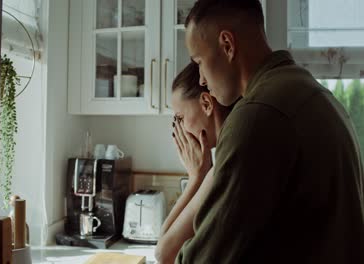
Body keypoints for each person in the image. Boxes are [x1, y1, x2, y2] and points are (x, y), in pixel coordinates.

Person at [176, 0, 364, 263]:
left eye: (199, 62)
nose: (201, 80)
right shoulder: (311, 91)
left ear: (227, 45)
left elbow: (206, 258)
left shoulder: (258, 114)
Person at [155, 62, 236, 264]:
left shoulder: (225, 163)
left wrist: (196, 177)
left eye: (180, 117)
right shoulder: (228, 152)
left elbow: (164, 254)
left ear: (207, 104)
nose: (180, 128)